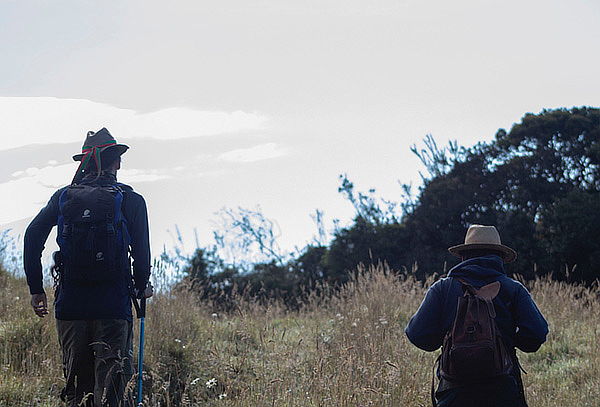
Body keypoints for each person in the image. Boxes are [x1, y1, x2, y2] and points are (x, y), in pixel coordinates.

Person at [24, 128, 153, 407]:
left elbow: (32, 236)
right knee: (113, 393)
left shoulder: (62, 197)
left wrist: (36, 289)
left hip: (71, 307)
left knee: (77, 393)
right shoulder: (131, 200)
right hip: (113, 307)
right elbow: (141, 255)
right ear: (115, 162)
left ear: (83, 162)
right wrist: (142, 286)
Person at [405, 224, 548, 407]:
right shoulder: (513, 289)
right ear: (500, 257)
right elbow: (536, 334)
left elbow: (417, 334)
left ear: (464, 256)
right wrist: (507, 341)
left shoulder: (443, 288)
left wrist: (449, 340)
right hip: (502, 392)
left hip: (454, 394)